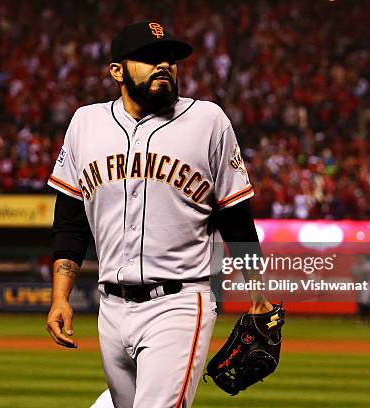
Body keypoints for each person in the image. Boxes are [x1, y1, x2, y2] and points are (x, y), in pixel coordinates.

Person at [46, 21, 274, 408]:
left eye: (170, 58)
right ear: (117, 71)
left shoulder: (208, 121)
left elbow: (235, 216)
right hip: (111, 308)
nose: (164, 65)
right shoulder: (85, 123)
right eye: (150, 58)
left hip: (179, 302)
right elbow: (71, 220)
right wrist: (60, 297)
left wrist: (259, 293)